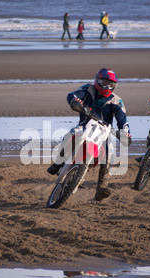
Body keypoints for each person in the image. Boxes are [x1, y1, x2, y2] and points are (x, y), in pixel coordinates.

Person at [47, 68, 131, 201]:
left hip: (104, 132)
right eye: (104, 83)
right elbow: (72, 95)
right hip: (85, 125)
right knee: (70, 135)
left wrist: (125, 133)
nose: (108, 87)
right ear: (97, 80)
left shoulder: (116, 101)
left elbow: (122, 120)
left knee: (110, 154)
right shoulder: (88, 89)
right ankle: (58, 163)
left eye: (111, 85)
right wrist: (75, 102)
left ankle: (102, 186)